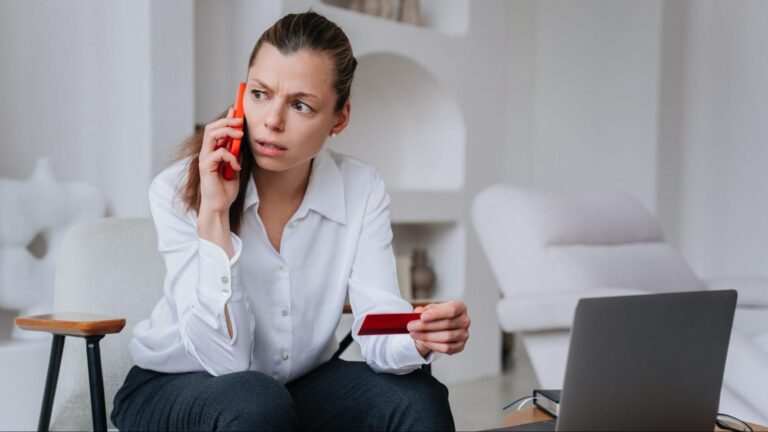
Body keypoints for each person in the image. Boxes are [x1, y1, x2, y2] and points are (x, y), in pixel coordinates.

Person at [111, 11, 470, 431]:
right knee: (255, 402)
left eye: (300, 105)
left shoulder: (361, 188)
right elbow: (226, 361)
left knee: (417, 397)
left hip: (291, 388)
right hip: (173, 386)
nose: (272, 120)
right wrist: (214, 217)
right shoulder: (179, 188)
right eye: (260, 94)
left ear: (339, 118)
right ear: (242, 93)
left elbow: (376, 322)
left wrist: (416, 338)